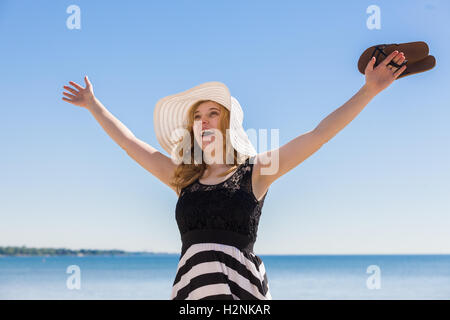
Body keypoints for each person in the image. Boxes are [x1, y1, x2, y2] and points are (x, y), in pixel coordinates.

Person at [61, 50, 407, 300]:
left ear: (229, 125)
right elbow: (129, 143)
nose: (205, 121)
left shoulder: (255, 173)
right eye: (198, 117)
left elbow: (317, 135)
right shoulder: (183, 180)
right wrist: (94, 105)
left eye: (213, 113)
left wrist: (369, 91)